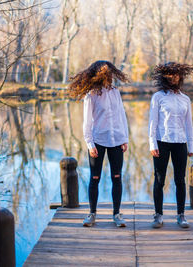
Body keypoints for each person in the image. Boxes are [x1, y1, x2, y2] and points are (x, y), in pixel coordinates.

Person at [68, 60, 130, 227]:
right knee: (95, 177)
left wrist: (125, 138)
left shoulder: (115, 92)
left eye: (109, 73)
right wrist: (90, 143)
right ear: (98, 75)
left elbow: (122, 116)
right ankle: (92, 214)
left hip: (116, 140)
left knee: (117, 177)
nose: (107, 76)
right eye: (105, 73)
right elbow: (87, 122)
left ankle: (117, 214)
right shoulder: (91, 95)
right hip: (98, 142)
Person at [148, 62, 193, 228]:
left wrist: (191, 146)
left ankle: (181, 215)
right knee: (159, 179)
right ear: (164, 77)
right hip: (162, 142)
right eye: (170, 74)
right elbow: (153, 122)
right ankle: (158, 215)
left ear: (180, 77)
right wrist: (152, 143)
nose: (174, 77)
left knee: (180, 180)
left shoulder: (185, 99)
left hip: (180, 143)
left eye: (177, 75)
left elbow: (189, 124)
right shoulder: (158, 97)